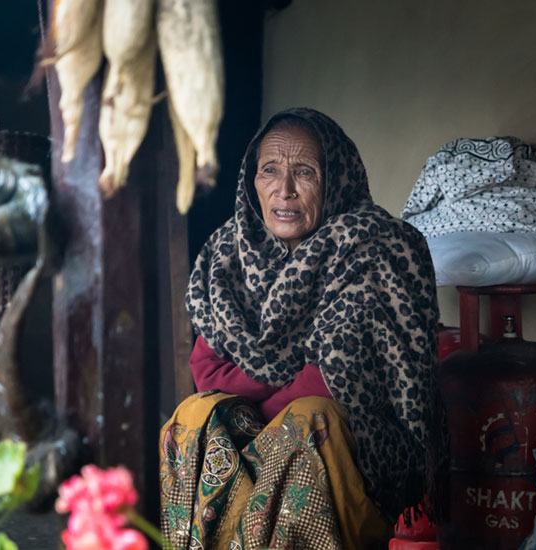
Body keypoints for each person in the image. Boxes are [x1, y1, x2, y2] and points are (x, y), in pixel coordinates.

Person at [160, 108, 439, 549]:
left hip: (355, 449)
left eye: (304, 172)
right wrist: (286, 373)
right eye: (269, 170)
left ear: (335, 180)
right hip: (258, 439)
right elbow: (206, 369)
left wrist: (263, 397)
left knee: (308, 418)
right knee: (192, 414)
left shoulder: (374, 246)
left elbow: (332, 378)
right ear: (253, 181)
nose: (284, 190)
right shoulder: (230, 252)